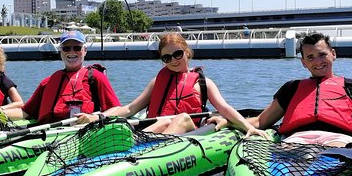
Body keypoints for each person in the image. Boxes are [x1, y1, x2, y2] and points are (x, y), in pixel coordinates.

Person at [104, 32, 269, 136]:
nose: (173, 61)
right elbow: (130, 108)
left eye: (177, 54)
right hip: (158, 129)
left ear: (187, 52)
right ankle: (133, 144)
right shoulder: (156, 82)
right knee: (163, 122)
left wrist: (248, 127)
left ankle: (140, 147)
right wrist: (99, 118)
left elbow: (225, 108)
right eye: (167, 58)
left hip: (189, 131)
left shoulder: (204, 83)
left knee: (180, 118)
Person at [250, 32, 352, 147]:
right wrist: (228, 122)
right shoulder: (291, 88)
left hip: (339, 140)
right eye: (310, 57)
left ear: (333, 54)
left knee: (336, 155)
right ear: (303, 62)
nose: (318, 62)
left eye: (322, 55)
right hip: (296, 140)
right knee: (287, 162)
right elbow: (260, 121)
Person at [3, 30, 121, 124]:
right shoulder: (47, 82)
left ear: (85, 51)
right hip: (50, 136)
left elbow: (116, 109)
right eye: (66, 48)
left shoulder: (95, 77)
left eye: (77, 48)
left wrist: (95, 117)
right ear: (60, 52)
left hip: (82, 135)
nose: (71, 52)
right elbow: (25, 112)